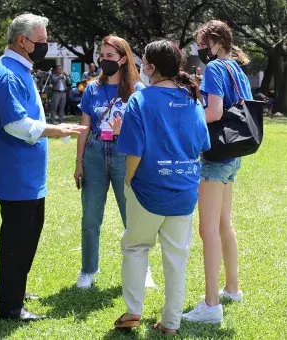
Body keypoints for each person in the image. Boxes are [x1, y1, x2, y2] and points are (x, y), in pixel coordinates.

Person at [0, 13, 87, 321]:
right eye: (41, 41)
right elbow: (15, 124)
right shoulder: (6, 74)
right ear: (21, 41)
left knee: (27, 231)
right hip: (16, 170)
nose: (46, 46)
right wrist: (56, 130)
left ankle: (11, 289)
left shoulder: (18, 69)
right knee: (19, 235)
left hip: (25, 170)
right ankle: (11, 306)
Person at [113, 40, 210, 335]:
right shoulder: (192, 100)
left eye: (144, 62)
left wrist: (129, 180)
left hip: (147, 189)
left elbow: (135, 152)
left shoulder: (140, 101)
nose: (141, 67)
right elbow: (201, 145)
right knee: (177, 257)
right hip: (183, 191)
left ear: (151, 67)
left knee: (135, 247)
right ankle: (171, 323)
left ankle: (133, 311)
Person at [182, 20, 253, 323]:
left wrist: (189, 112)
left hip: (216, 154)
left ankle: (211, 305)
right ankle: (232, 288)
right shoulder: (235, 67)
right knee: (225, 223)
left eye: (201, 41)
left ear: (213, 41)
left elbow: (214, 112)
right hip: (234, 152)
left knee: (207, 229)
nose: (199, 48)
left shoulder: (214, 69)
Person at [74, 35, 153, 289]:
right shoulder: (92, 89)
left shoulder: (137, 91)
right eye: (102, 55)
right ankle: (88, 270)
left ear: (123, 59)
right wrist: (79, 162)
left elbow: (145, 129)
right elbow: (84, 128)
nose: (103, 60)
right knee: (90, 218)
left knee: (131, 217)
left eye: (110, 56)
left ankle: (143, 270)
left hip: (124, 154)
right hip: (95, 154)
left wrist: (125, 129)